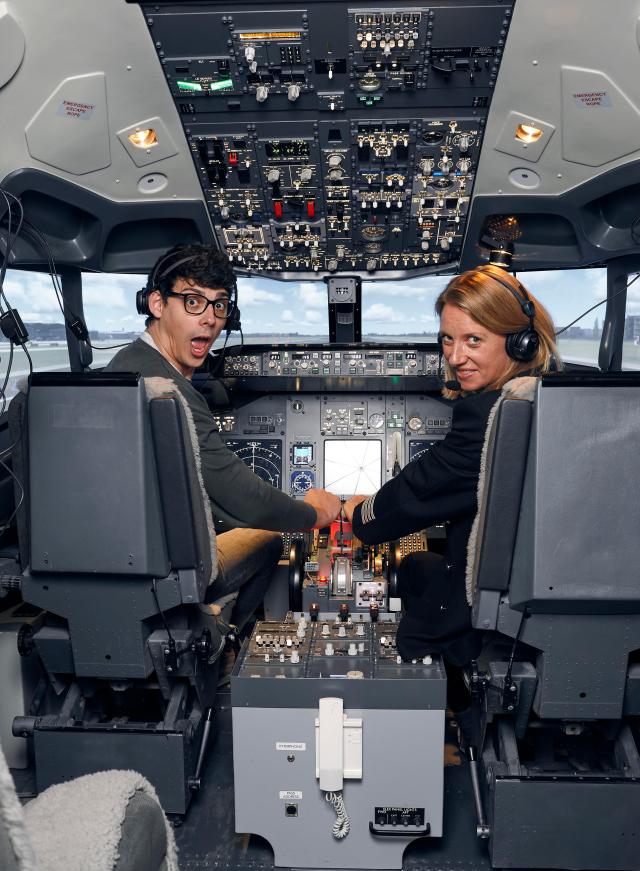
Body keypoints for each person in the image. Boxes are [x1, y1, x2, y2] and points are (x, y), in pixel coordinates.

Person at [344, 264, 561, 723]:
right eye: (447, 339)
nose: (456, 356)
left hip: (497, 597)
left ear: (519, 339)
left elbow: (420, 492)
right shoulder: (554, 395)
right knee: (422, 563)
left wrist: (356, 513)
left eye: (474, 340)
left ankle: (456, 715)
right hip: (553, 583)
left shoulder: (491, 414)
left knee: (412, 628)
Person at [106, 243, 341, 632]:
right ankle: (220, 641)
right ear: (157, 304)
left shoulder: (123, 367)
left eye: (220, 305)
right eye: (193, 302)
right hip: (162, 575)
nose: (210, 320)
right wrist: (315, 513)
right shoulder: (167, 391)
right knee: (266, 537)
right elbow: (243, 500)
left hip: (119, 558)